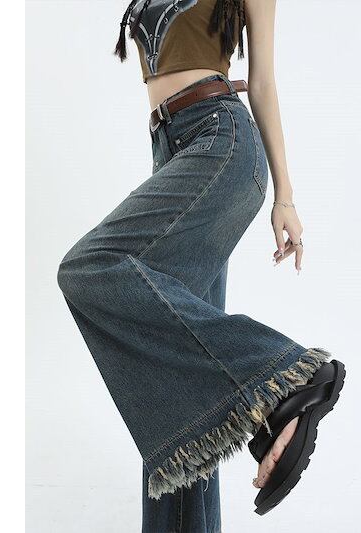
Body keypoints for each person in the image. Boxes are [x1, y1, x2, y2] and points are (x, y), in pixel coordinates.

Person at [57, 0, 346, 529]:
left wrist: (285, 197)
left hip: (221, 142)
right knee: (178, 399)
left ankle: (286, 379)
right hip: (171, 152)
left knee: (89, 268)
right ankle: (265, 409)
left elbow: (263, 83)